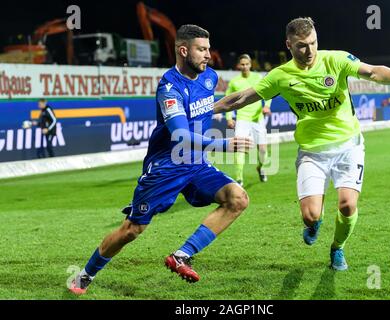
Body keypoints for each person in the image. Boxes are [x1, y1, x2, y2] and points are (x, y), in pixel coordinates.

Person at [215, 17, 390, 271]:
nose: (309, 50)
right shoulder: (280, 76)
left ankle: (338, 248)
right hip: (312, 152)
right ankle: (315, 222)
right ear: (288, 44)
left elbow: (372, 71)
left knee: (347, 204)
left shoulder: (337, 59)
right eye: (301, 45)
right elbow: (243, 97)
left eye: (313, 43)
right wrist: (207, 110)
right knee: (310, 215)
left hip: (349, 146)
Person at [69, 24, 253, 295]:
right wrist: (224, 143)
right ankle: (85, 275)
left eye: (208, 49)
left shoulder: (209, 78)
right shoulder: (169, 87)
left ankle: (182, 255)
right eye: (201, 50)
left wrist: (267, 90)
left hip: (197, 164)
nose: (208, 55)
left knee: (238, 199)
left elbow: (216, 105)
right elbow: (180, 133)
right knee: (132, 230)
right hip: (166, 167)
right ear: (183, 50)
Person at [225, 54, 272, 186]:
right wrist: (229, 118)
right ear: (239, 66)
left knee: (262, 150)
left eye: (247, 64)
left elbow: (269, 93)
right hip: (242, 119)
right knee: (240, 148)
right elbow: (227, 101)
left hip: (258, 119)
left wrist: (267, 106)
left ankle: (261, 168)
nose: (244, 66)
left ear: (251, 65)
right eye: (242, 64)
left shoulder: (258, 78)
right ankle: (239, 179)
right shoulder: (234, 82)